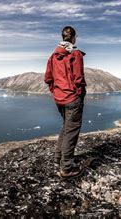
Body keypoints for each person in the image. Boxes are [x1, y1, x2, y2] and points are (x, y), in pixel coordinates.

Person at [44, 26, 87, 178]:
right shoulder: (75, 54)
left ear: (62, 37)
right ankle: (67, 168)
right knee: (72, 131)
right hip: (72, 98)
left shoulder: (53, 56)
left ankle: (58, 159)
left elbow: (48, 78)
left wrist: (55, 91)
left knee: (66, 127)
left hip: (59, 98)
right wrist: (79, 94)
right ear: (74, 37)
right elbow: (79, 78)